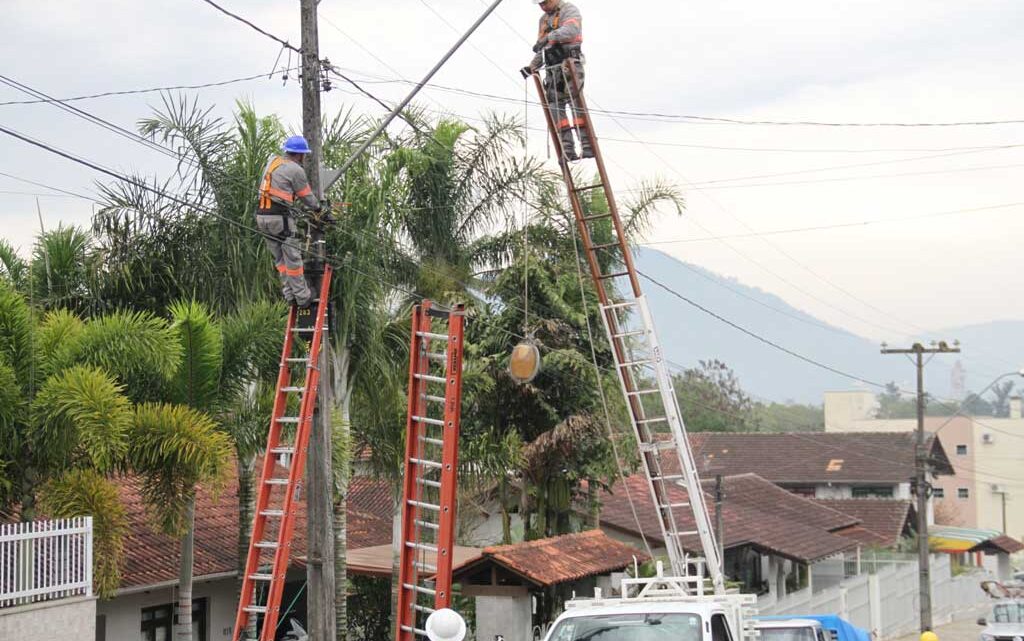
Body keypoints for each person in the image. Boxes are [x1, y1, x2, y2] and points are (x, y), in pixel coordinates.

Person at [520, 0, 593, 161]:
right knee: (554, 106)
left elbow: (571, 31)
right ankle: (567, 149)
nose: (542, 6)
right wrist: (532, 66)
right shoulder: (544, 20)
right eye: (540, 4)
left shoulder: (569, 10)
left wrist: (549, 37)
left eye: (545, 2)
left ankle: (587, 145)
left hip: (570, 65)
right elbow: (543, 48)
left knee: (576, 104)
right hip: (553, 70)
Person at [255, 135, 321, 308]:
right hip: (280, 219)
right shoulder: (296, 170)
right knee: (293, 259)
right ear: (300, 155)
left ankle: (289, 294)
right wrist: (319, 210)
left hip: (262, 217)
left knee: (280, 260)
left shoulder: (273, 162)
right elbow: (307, 197)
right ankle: (302, 297)